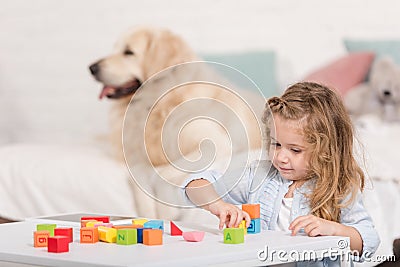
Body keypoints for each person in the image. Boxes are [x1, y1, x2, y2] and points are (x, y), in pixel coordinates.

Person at [184, 81, 380, 265]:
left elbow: (369, 241)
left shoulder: (339, 186)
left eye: (295, 150)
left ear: (326, 150)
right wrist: (216, 205)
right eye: (276, 144)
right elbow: (194, 184)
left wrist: (334, 230)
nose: (281, 157)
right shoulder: (259, 176)